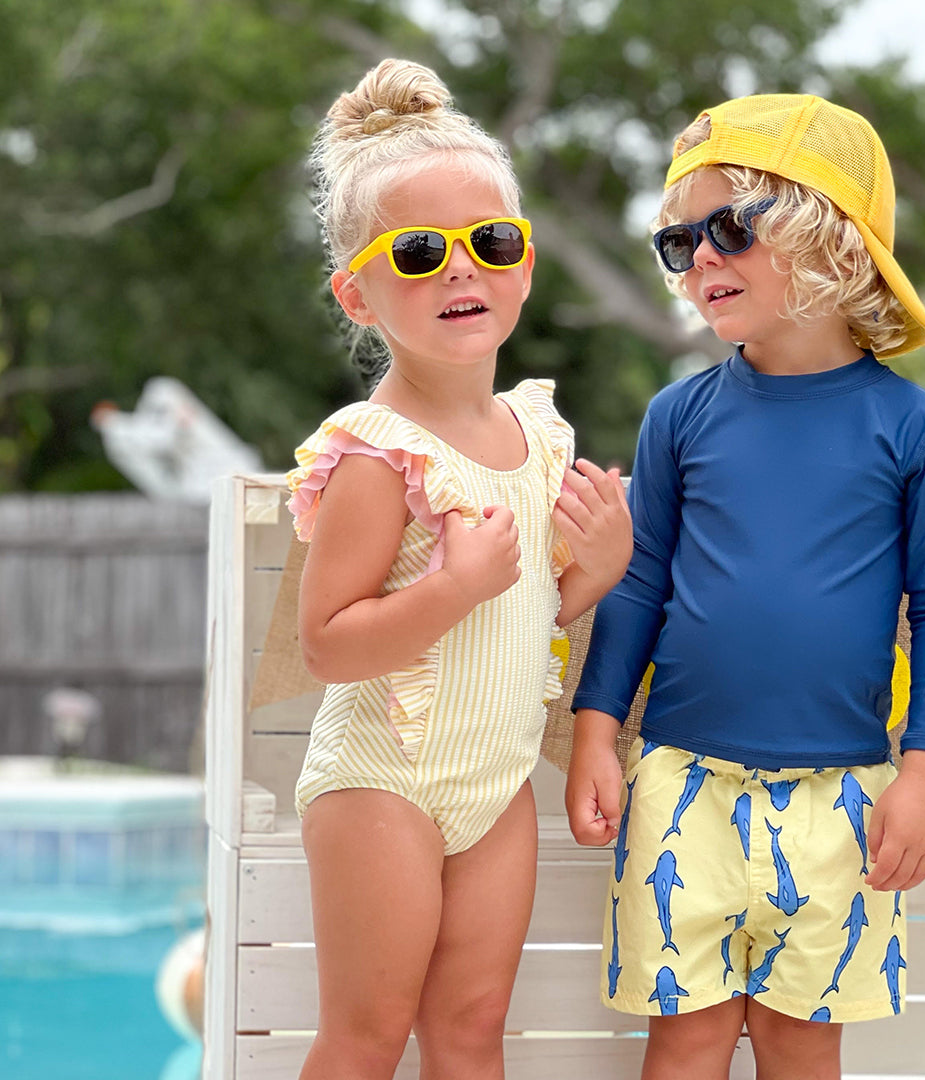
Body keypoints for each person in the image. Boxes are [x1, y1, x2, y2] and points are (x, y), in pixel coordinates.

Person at [565, 93, 925, 1080]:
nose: (702, 258)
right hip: (681, 787)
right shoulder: (677, 417)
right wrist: (593, 728)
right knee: (687, 1044)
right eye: (679, 243)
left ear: (829, 241)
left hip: (845, 796)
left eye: (729, 229)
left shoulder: (918, 430)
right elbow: (636, 585)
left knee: (801, 1049)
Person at [285, 59, 633, 1080]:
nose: (459, 271)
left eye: (490, 243)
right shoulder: (376, 451)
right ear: (358, 292)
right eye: (420, 251)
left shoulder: (536, 433)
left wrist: (598, 571)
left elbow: (526, 616)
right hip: (382, 777)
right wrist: (448, 588)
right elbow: (324, 647)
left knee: (474, 1030)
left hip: (497, 781)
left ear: (524, 267)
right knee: (368, 1035)